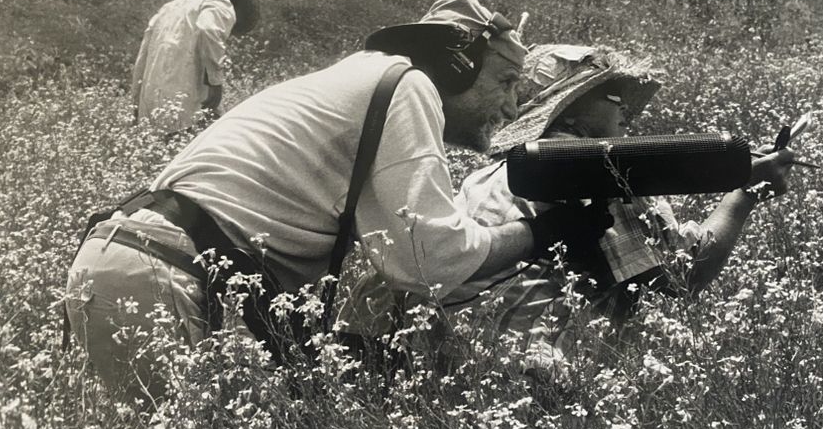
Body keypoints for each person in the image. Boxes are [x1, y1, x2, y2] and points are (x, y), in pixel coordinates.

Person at [65, 0, 612, 400]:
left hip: (132, 262)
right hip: (168, 278)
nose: (513, 106)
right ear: (457, 65)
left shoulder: (360, 81)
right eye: (507, 81)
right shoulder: (408, 85)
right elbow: (430, 262)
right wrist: (547, 231)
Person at [338, 43, 797, 377]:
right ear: (570, 111)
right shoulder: (598, 173)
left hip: (458, 375)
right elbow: (683, 277)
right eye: (613, 97)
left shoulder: (491, 175)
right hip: (546, 383)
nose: (627, 113)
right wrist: (746, 195)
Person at [131, 0, 260, 133]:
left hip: (154, 102)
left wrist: (136, 103)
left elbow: (143, 56)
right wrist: (215, 83)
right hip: (189, 98)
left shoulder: (168, 7)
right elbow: (208, 30)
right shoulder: (219, 0)